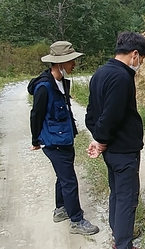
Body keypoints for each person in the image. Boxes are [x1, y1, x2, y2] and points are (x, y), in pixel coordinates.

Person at [85, 32, 145, 249]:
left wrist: (98, 137)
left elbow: (92, 113)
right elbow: (112, 115)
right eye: (141, 59)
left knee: (117, 192)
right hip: (123, 150)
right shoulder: (122, 78)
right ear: (134, 54)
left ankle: (120, 231)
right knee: (127, 197)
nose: (140, 63)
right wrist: (101, 139)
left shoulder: (100, 73)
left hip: (112, 150)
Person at [28, 41, 99, 236]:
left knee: (63, 176)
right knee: (69, 180)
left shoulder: (60, 83)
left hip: (64, 139)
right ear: (60, 63)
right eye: (71, 61)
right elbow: (36, 115)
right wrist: (36, 140)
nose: (74, 64)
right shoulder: (44, 87)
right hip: (53, 142)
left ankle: (61, 209)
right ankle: (76, 220)